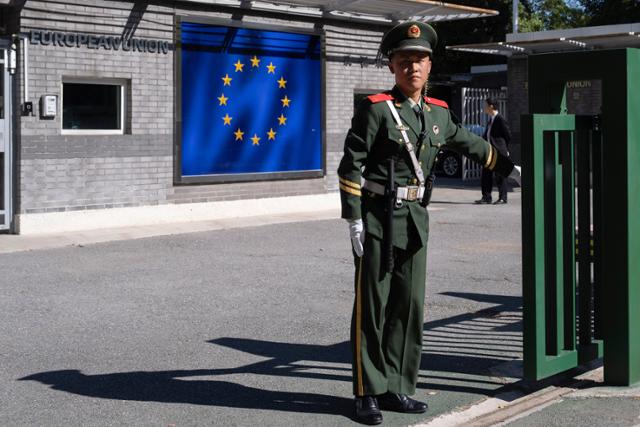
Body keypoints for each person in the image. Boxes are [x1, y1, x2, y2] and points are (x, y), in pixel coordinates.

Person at [337, 21, 521, 425]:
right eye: (405, 60)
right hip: (378, 220)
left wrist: (509, 168)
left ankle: (397, 386)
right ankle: (367, 391)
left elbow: (471, 144)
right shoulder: (377, 109)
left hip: (415, 220)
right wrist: (353, 218)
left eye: (419, 60)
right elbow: (350, 166)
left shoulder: (438, 113)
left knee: (409, 307)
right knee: (373, 307)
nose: (413, 67)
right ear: (392, 66)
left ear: (430, 65)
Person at [475, 98, 513, 205]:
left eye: (485, 105)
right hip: (490, 151)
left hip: (499, 152)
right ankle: (486, 197)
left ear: (491, 106)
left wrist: (505, 149)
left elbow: (508, 135)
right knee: (486, 173)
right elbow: (488, 135)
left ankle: (503, 198)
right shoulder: (491, 119)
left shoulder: (500, 119)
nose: (484, 107)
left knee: (500, 175)